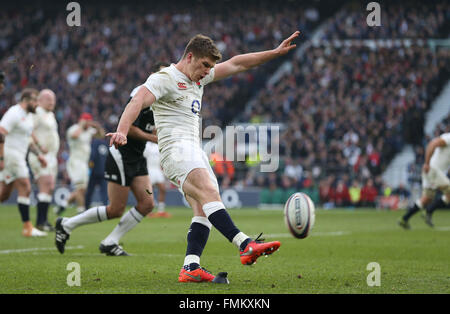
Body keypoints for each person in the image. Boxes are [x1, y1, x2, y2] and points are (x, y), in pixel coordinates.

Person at [108, 32, 300, 282]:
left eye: (210, 66)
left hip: (193, 150)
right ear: (190, 57)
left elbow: (237, 63)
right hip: (176, 149)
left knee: (203, 207)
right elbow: (138, 101)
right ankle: (244, 244)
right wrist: (122, 131)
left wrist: (273, 53)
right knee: (209, 191)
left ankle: (191, 266)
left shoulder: (199, 77)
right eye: (205, 65)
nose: (207, 71)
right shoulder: (164, 78)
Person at [54, 62, 168, 256]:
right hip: (121, 154)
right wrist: (154, 139)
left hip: (137, 156)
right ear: (154, 76)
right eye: (164, 75)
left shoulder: (162, 98)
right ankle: (66, 224)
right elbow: (129, 127)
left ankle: (110, 241)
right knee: (115, 209)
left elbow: (151, 126)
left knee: (147, 204)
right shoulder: (141, 93)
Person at [0, 88, 48, 237]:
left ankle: (27, 227)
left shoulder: (27, 117)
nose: (37, 105)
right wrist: (1, 158)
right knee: (25, 187)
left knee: (4, 194)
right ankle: (27, 227)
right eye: (35, 101)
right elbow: (1, 133)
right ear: (26, 100)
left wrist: (38, 154)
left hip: (19, 156)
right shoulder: (14, 113)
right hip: (11, 156)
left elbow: (27, 140)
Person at [399, 133, 450, 229]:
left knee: (427, 198)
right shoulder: (448, 138)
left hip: (431, 171)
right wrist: (426, 163)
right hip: (433, 170)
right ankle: (429, 211)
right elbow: (432, 144)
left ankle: (404, 219)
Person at [28, 89, 59, 231]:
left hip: (51, 156)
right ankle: (41, 222)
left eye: (52, 98)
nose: (51, 101)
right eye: (48, 98)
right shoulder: (37, 112)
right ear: (39, 100)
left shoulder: (50, 114)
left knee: (50, 187)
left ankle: (44, 221)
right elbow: (29, 130)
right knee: (45, 184)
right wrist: (39, 146)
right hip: (39, 154)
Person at [61, 113, 105, 213]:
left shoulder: (88, 130)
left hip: (84, 163)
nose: (89, 124)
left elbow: (101, 135)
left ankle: (64, 203)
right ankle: (81, 210)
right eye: (87, 122)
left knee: (83, 189)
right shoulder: (74, 129)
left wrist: (97, 126)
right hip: (75, 162)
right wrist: (81, 126)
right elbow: (75, 136)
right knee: (80, 188)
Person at [144, 140, 171, 218]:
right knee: (149, 191)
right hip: (149, 169)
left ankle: (161, 211)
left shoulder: (160, 144)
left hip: (158, 170)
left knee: (163, 189)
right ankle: (149, 211)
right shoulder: (147, 145)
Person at [85, 137, 109, 208]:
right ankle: (105, 207)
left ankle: (86, 206)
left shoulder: (95, 143)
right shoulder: (106, 144)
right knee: (104, 192)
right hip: (104, 171)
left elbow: (93, 156)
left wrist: (90, 168)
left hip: (95, 171)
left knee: (89, 191)